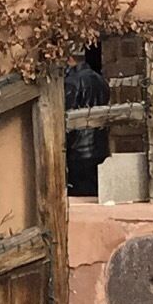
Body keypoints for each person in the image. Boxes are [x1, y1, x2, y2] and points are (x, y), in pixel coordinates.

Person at [62, 42, 109, 199]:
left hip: (77, 150)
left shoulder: (71, 82)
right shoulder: (100, 80)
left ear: (69, 59)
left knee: (79, 196)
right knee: (95, 194)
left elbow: (65, 114)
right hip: (99, 146)